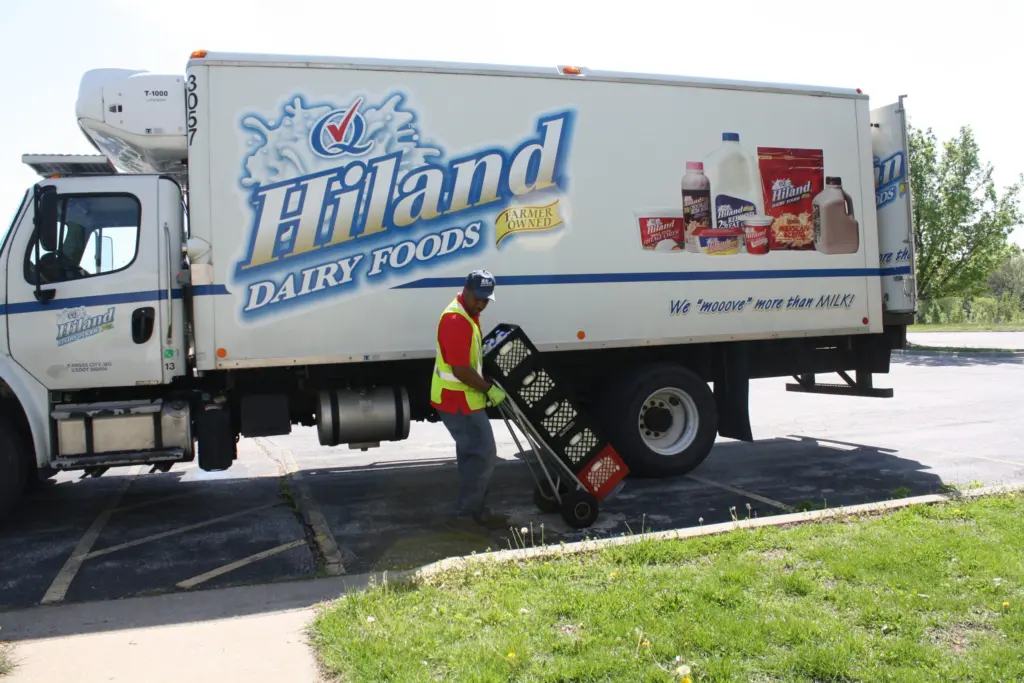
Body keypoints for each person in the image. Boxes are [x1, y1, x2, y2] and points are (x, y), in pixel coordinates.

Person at [430, 269, 511, 533]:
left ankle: (475, 512)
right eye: (479, 297)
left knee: (472, 456)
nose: (482, 303)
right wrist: (489, 389)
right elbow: (460, 370)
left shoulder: (469, 315)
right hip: (457, 400)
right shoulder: (456, 319)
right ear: (466, 289)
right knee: (484, 454)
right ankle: (464, 515)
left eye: (487, 299)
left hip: (463, 398)